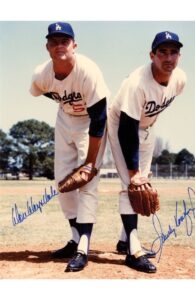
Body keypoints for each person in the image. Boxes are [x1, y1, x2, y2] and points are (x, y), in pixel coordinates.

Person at [30, 22, 110, 272]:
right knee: (62, 183)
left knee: (87, 182)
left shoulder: (88, 71)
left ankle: (83, 247)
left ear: (74, 45)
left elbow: (99, 119)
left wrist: (90, 163)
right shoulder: (41, 74)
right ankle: (75, 237)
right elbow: (41, 90)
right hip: (65, 120)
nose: (59, 45)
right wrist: (61, 98)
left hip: (91, 121)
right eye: (54, 41)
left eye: (65, 41)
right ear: (47, 47)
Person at [108, 31, 186, 273]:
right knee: (131, 185)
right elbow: (126, 130)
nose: (168, 57)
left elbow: (153, 110)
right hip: (121, 123)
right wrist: (134, 173)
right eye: (162, 51)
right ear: (152, 55)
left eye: (173, 52)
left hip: (147, 126)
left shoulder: (179, 80)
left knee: (141, 182)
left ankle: (123, 241)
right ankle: (133, 251)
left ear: (179, 56)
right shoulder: (137, 84)